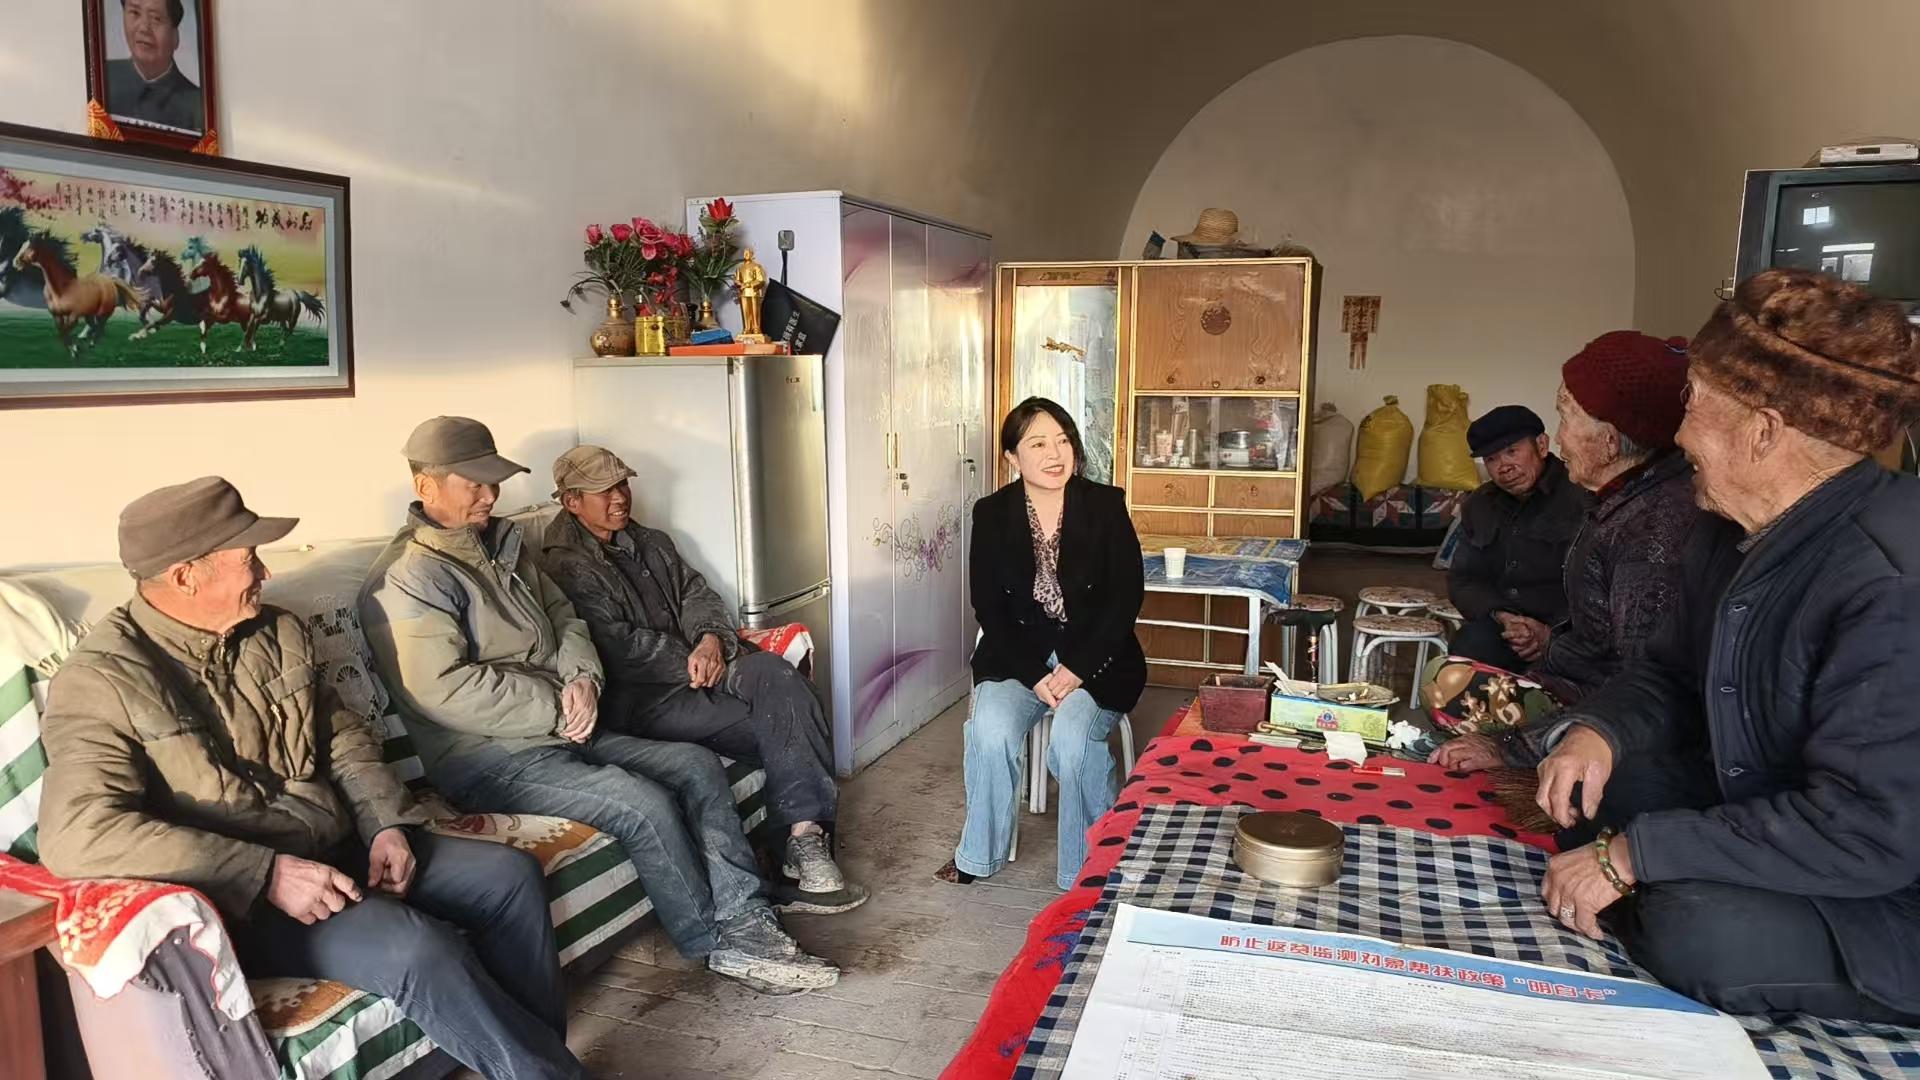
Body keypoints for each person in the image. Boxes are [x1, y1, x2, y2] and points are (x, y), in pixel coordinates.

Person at [36, 478, 586, 1080]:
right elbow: (77, 834)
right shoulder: (103, 679)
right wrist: (264, 873)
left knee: (509, 876)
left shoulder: (277, 631)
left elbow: (342, 737)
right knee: (415, 946)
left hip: (340, 848)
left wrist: (387, 824)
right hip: (250, 901)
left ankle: (538, 1063)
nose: (265, 572)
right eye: (248, 559)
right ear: (186, 575)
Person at [1533, 269, 1920, 1022]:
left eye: (1692, 403)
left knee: (1693, 929)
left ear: (1762, 430)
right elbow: (1670, 671)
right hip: (1769, 805)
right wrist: (1597, 733)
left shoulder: (1891, 579)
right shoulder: (1725, 526)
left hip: (1887, 883)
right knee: (1594, 793)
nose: (1678, 433)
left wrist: (1635, 856)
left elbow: (1865, 827)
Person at [359, 416, 837, 993]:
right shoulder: (407, 578)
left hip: (568, 727)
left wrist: (582, 679)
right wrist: (556, 705)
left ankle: (746, 915)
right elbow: (444, 689)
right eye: (474, 484)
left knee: (695, 764)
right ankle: (714, 942)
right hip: (489, 757)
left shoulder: (503, 546)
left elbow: (566, 619)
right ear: (425, 485)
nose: (490, 495)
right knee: (643, 804)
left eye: (493, 482)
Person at [537, 444, 863, 913]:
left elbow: (697, 594)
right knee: (789, 721)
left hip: (705, 665)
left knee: (780, 677)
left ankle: (802, 838)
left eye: (622, 484)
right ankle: (796, 848)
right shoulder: (565, 565)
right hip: (646, 698)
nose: (620, 497)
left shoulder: (650, 541)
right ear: (571, 501)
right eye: (603, 491)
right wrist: (694, 659)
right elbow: (615, 647)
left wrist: (711, 639)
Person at [1432, 332, 1736, 773]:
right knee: (1450, 676)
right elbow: (1466, 579)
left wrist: (1514, 746)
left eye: (1565, 418)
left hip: (1600, 717)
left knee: (1458, 700)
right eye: (1492, 458)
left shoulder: (1654, 524)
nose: (1559, 438)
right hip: (1557, 663)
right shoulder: (1617, 500)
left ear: (1609, 441)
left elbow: (1641, 683)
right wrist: (1516, 626)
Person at [937, 397, 1146, 891]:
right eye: (1037, 444)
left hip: (1096, 659)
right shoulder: (992, 513)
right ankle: (979, 853)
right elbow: (989, 608)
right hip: (1018, 658)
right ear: (1012, 456)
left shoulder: (1105, 505)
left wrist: (1075, 669)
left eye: (1062, 440)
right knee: (989, 730)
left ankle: (1089, 866)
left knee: (1071, 743)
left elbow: (1125, 599)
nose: (1055, 454)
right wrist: (1035, 675)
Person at [1445, 404, 1589, 672]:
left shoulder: (1583, 497)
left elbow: (1603, 591)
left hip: (1571, 636)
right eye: (1491, 459)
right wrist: (1504, 616)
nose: (1504, 468)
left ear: (1542, 446)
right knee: (1468, 649)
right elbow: (1463, 580)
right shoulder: (1479, 505)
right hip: (1507, 631)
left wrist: (1550, 636)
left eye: (1512, 451)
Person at [104, 0, 204, 133]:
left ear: (175, 36)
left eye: (156, 18)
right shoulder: (103, 77)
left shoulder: (197, 104)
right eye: (135, 12)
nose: (144, 28)